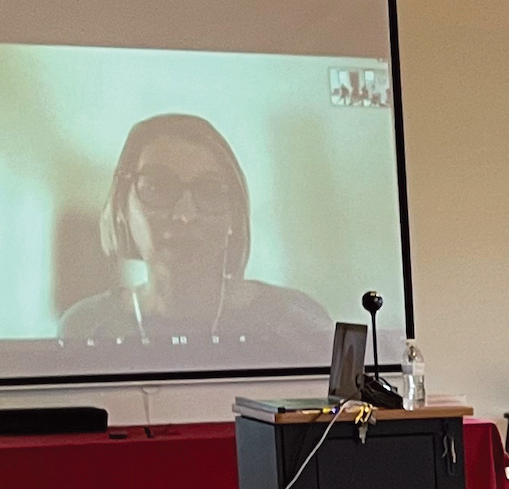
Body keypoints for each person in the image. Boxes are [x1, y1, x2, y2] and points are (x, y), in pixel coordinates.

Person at [57, 114, 330, 362]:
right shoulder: (85, 325)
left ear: (234, 216)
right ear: (122, 207)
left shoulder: (298, 319)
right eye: (156, 187)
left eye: (210, 191)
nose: (185, 215)